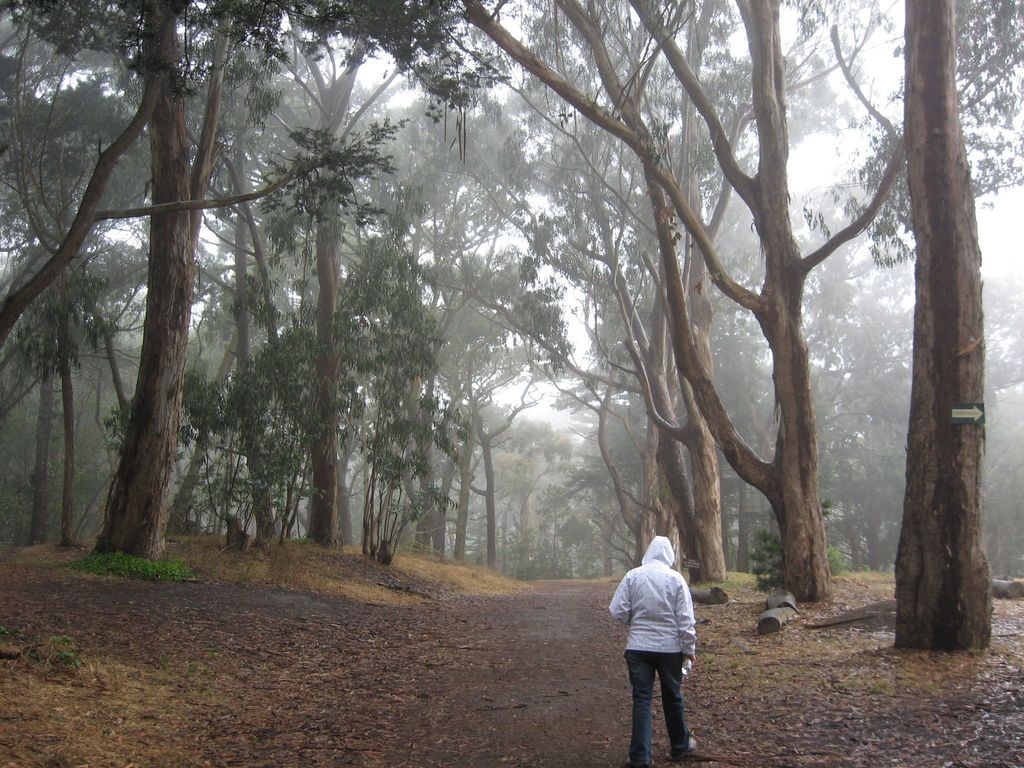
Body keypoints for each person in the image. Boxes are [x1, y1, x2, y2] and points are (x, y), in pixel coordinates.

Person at [609, 536, 698, 767]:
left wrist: (636, 622)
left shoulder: (633, 576)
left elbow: (618, 610)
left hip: (638, 647)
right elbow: (686, 620)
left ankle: (640, 756)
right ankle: (680, 745)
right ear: (670, 555)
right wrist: (689, 649)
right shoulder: (676, 579)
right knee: (673, 696)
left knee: (642, 698)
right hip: (670, 649)